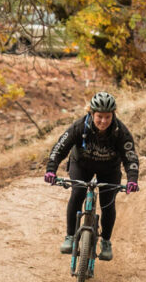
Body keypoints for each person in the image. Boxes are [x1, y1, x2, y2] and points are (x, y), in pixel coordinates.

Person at [45, 92, 139, 261]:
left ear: (113, 115)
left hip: (109, 170)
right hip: (81, 165)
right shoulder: (79, 126)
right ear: (91, 113)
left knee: (107, 203)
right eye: (99, 117)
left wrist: (132, 179)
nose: (103, 121)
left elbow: (130, 156)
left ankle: (106, 242)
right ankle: (70, 236)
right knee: (78, 192)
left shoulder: (120, 131)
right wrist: (51, 170)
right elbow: (60, 147)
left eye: (108, 117)